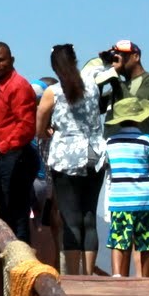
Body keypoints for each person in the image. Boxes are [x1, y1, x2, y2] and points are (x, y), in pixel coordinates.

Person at [35, 43, 106, 275]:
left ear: (54, 67)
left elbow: (39, 127)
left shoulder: (53, 92)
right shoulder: (92, 85)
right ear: (75, 61)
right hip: (95, 155)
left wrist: (47, 131)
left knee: (71, 219)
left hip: (66, 156)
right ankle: (89, 274)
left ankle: (74, 276)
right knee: (88, 218)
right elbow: (103, 68)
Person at [0, 42, 41, 241]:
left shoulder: (18, 86)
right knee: (5, 213)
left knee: (16, 215)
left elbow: (25, 127)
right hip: (4, 155)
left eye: (1, 60)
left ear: (11, 60)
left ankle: (20, 266)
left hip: (16, 156)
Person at [103, 97, 149, 277]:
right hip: (145, 200)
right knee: (146, 241)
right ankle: (144, 278)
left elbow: (107, 167)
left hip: (119, 199)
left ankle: (116, 275)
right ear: (140, 118)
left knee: (118, 239)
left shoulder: (110, 142)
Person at [103, 39, 149, 144]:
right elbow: (94, 106)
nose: (116, 61)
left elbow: (134, 108)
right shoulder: (118, 85)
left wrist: (115, 77)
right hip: (113, 153)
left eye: (121, 56)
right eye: (114, 57)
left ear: (136, 56)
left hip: (140, 152)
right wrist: (100, 75)